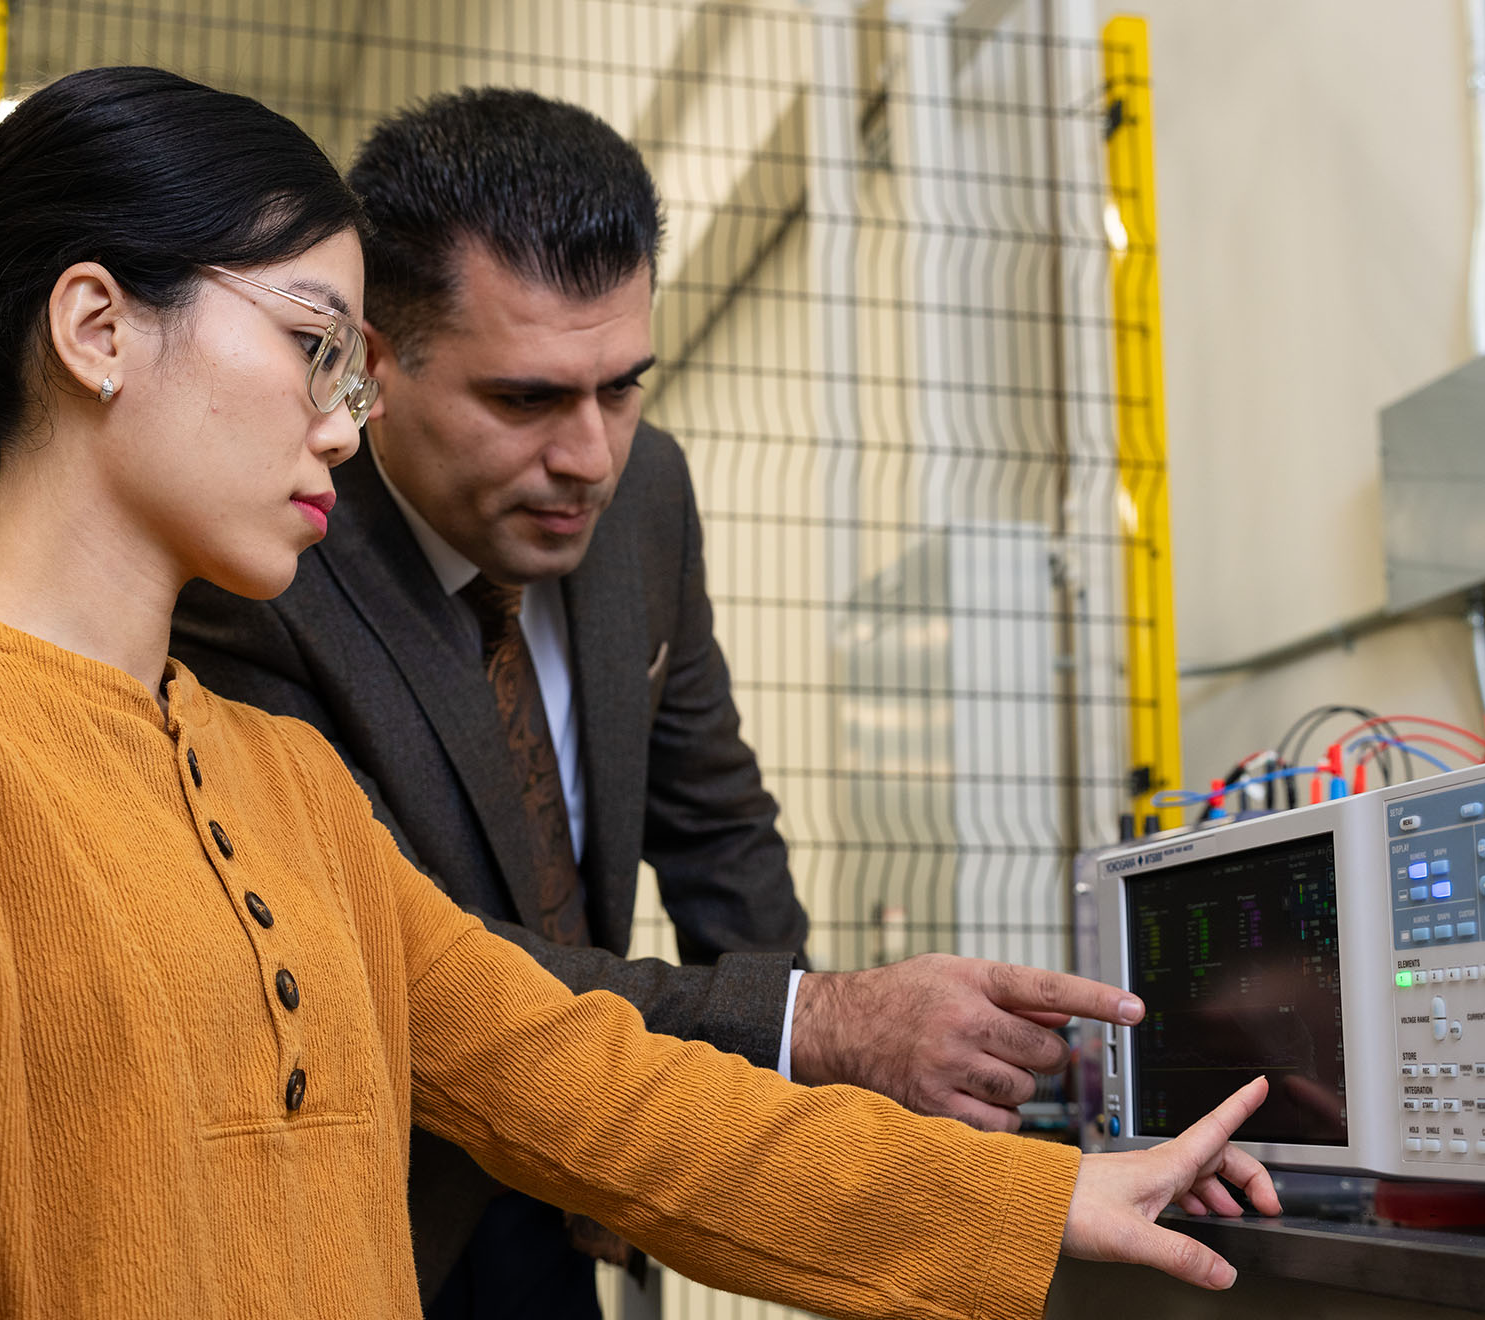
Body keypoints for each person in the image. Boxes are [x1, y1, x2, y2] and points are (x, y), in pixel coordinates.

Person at [0, 65, 1279, 1319]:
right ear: (98, 328)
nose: (345, 422)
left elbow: (606, 1095)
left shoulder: (279, 788)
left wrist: (1038, 1200)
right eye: (312, 346)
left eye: (355, 370)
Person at [168, 87, 1146, 1315]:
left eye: (622, 386)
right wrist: (820, 1022)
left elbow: (714, 824)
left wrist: (843, 1128)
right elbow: (415, 972)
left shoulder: (646, 499)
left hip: (592, 1193)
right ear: (371, 366)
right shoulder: (260, 571)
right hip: (380, 1211)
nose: (589, 454)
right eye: (524, 400)